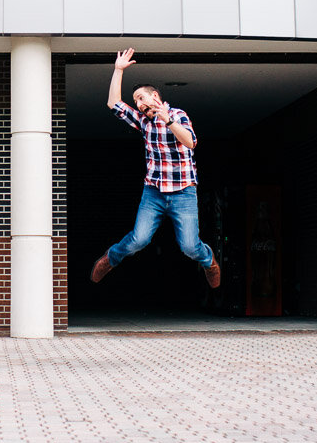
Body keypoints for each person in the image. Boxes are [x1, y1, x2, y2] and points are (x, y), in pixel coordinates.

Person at [91, 47, 221, 288]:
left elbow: (190, 142)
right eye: (136, 101)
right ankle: (110, 258)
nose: (138, 104)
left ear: (155, 96)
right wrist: (118, 70)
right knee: (139, 239)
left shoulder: (178, 115)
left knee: (189, 247)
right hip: (154, 192)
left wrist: (168, 120)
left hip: (183, 191)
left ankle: (209, 261)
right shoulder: (143, 121)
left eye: (141, 98)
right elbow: (113, 103)